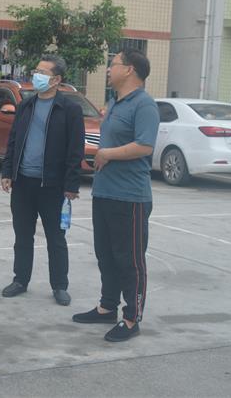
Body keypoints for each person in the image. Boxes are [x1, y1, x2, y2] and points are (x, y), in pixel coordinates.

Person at [72, 48, 159, 342]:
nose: (109, 69)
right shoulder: (115, 102)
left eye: (113, 64)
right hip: (105, 191)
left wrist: (107, 153)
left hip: (130, 196)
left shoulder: (144, 105)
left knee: (130, 260)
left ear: (130, 69)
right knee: (105, 255)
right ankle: (107, 307)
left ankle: (132, 318)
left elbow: (145, 146)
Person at [0, 54, 85, 306]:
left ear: (56, 79)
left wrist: (71, 185)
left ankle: (59, 285)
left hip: (53, 186)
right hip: (23, 183)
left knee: (56, 239)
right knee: (22, 236)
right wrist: (7, 172)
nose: (36, 76)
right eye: (36, 71)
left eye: (42, 73)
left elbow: (75, 150)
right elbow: (13, 141)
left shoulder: (69, 110)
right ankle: (20, 280)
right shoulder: (26, 105)